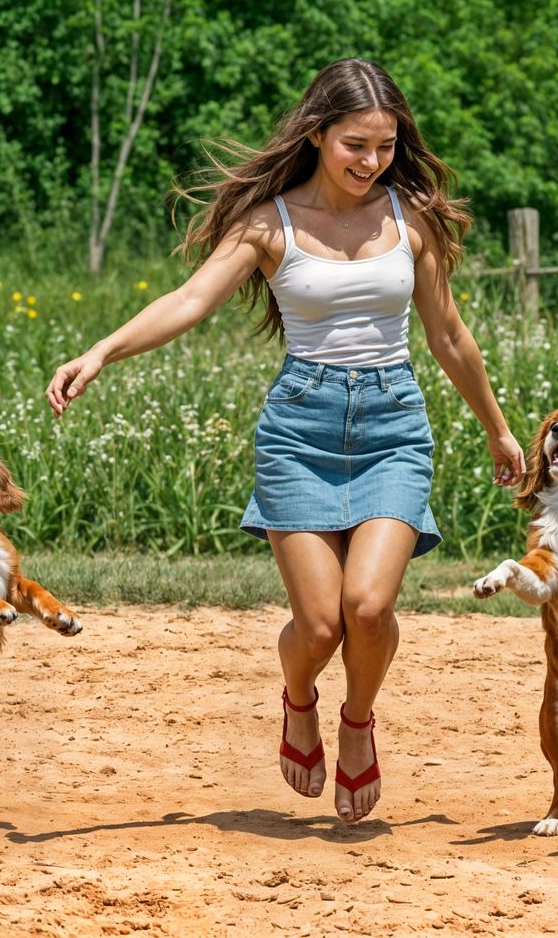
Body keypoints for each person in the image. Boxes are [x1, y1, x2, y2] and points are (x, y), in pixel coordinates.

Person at [45, 59, 525, 823]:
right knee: (321, 624)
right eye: (355, 145)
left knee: (368, 607)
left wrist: (497, 429)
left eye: (385, 146)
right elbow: (190, 298)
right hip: (298, 431)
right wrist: (101, 351)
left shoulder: (412, 218)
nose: (372, 162)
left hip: (393, 426)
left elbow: (450, 336)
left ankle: (357, 722)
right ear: (317, 134)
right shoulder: (269, 222)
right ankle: (298, 695)